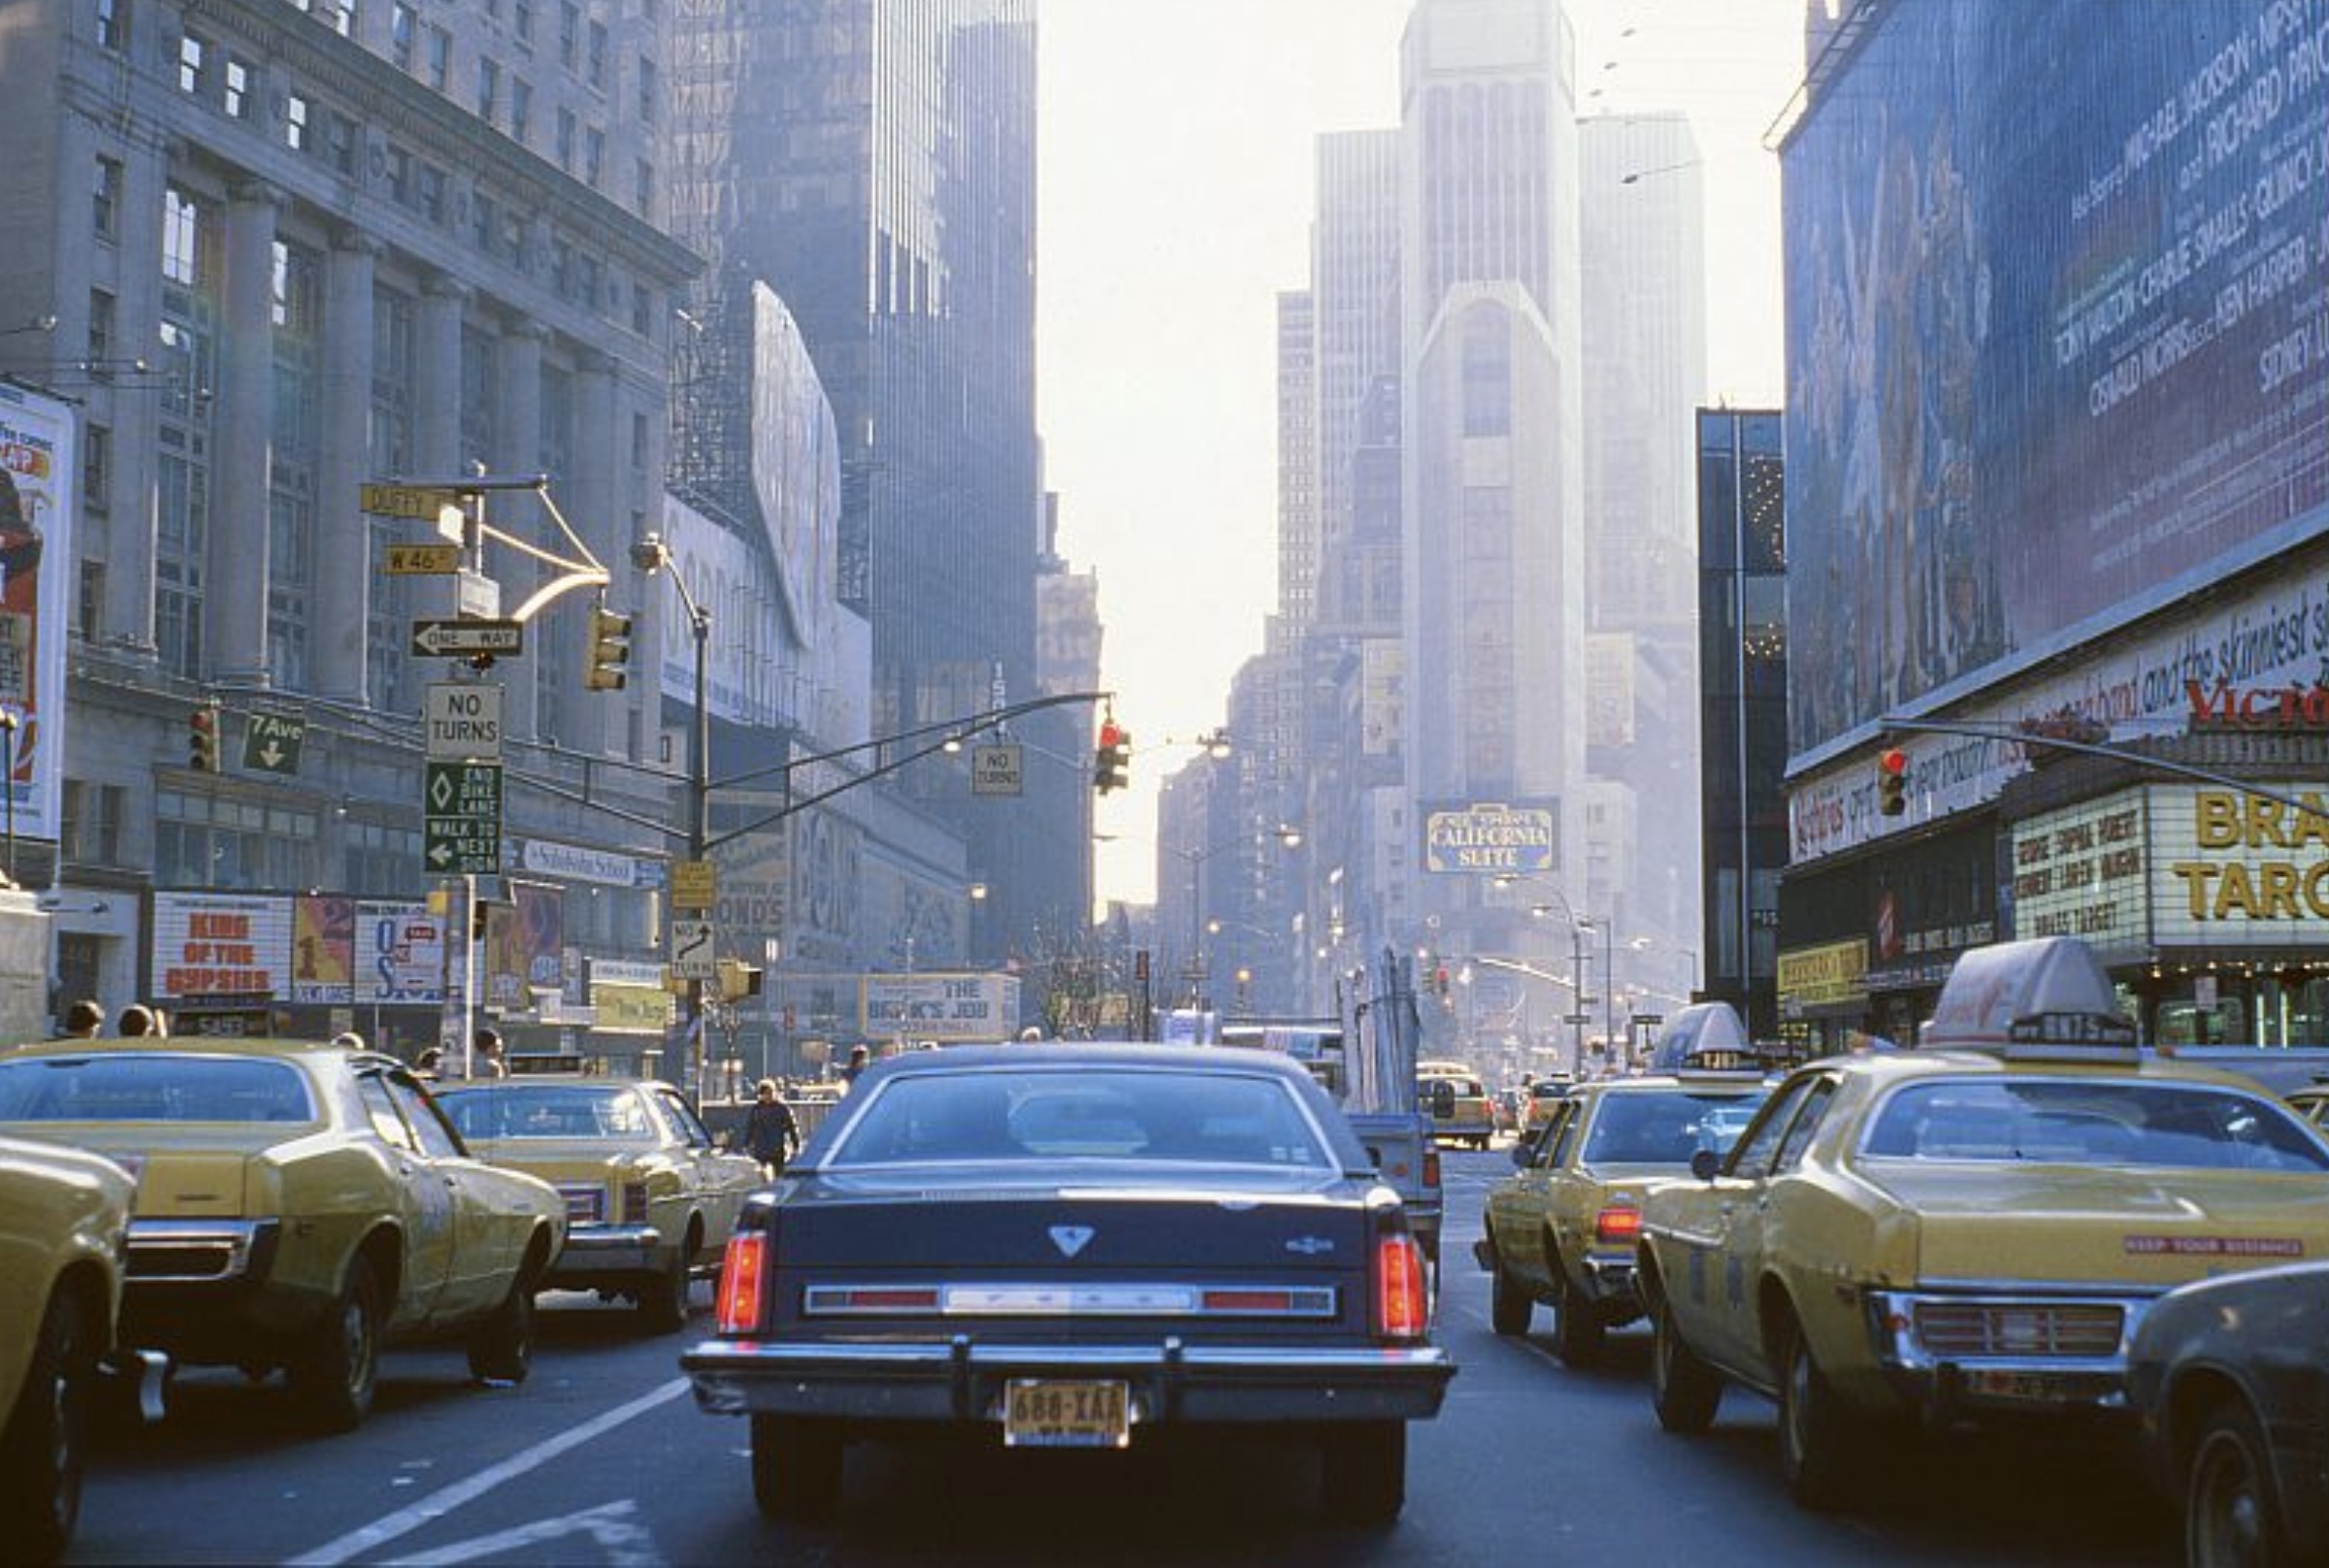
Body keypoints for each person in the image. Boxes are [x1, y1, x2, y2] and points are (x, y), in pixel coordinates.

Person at [743, 1078, 800, 1177]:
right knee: (761, 1175)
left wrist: (795, 1145)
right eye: (765, 1093)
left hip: (777, 1148)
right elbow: (750, 1127)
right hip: (761, 1148)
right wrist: (746, 1144)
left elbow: (792, 1127)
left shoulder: (782, 1108)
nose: (768, 1096)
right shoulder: (756, 1109)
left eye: (770, 1093)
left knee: (779, 1175)